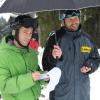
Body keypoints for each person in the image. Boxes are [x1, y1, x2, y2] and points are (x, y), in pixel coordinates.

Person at [42, 10, 100, 100]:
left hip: (82, 94)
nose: (74, 22)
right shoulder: (55, 39)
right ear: (63, 20)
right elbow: (46, 66)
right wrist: (53, 57)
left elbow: (96, 60)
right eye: (70, 19)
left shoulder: (87, 39)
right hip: (60, 95)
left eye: (76, 18)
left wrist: (90, 65)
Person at [0, 15, 43, 100]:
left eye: (30, 33)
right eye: (25, 32)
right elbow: (4, 86)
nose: (28, 36)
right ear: (15, 32)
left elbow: (36, 71)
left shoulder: (31, 52)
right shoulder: (3, 55)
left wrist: (44, 78)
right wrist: (29, 78)